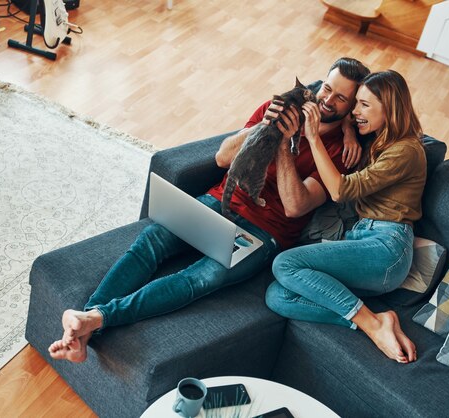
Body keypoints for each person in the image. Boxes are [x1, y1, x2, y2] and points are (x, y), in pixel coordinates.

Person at [48, 57, 370, 363]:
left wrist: (285, 145)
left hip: (263, 233)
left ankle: (95, 318)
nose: (328, 100)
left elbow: (296, 206)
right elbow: (222, 158)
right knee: (151, 241)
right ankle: (84, 329)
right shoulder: (281, 109)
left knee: (200, 278)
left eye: (341, 98)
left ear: (352, 107)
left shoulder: (342, 152)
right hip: (220, 203)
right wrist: (263, 128)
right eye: (327, 88)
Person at [266, 70, 427, 364]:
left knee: (285, 263)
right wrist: (351, 130)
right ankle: (372, 320)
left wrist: (313, 137)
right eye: (356, 104)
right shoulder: (378, 139)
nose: (355, 111)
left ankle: (373, 324)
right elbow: (338, 112)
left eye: (364, 105)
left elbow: (340, 190)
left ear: (389, 109)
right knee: (278, 296)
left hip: (386, 248)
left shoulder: (407, 151)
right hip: (362, 239)